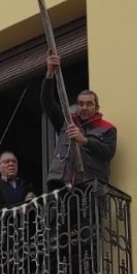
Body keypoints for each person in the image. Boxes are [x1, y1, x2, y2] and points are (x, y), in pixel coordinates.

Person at [42, 50, 116, 188]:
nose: (84, 107)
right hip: (63, 184)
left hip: (90, 188)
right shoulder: (67, 123)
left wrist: (84, 141)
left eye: (89, 104)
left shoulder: (107, 129)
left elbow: (109, 152)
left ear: (97, 108)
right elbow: (48, 103)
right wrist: (50, 73)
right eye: (80, 104)